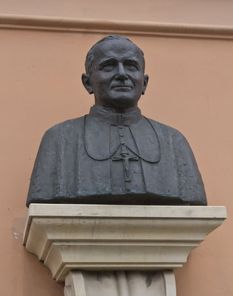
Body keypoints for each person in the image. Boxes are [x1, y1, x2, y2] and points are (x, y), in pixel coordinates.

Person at [26, 35, 207, 206]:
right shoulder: (60, 140)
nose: (121, 74)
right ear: (87, 82)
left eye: (131, 66)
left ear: (144, 83)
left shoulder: (173, 142)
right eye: (108, 66)